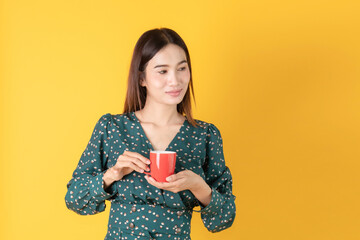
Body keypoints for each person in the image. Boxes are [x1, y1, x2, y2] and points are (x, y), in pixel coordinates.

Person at [65, 27, 236, 240]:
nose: (175, 80)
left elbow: (224, 219)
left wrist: (199, 187)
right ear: (141, 78)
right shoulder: (112, 128)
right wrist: (112, 174)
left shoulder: (205, 136)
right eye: (162, 71)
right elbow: (75, 199)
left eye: (182, 69)